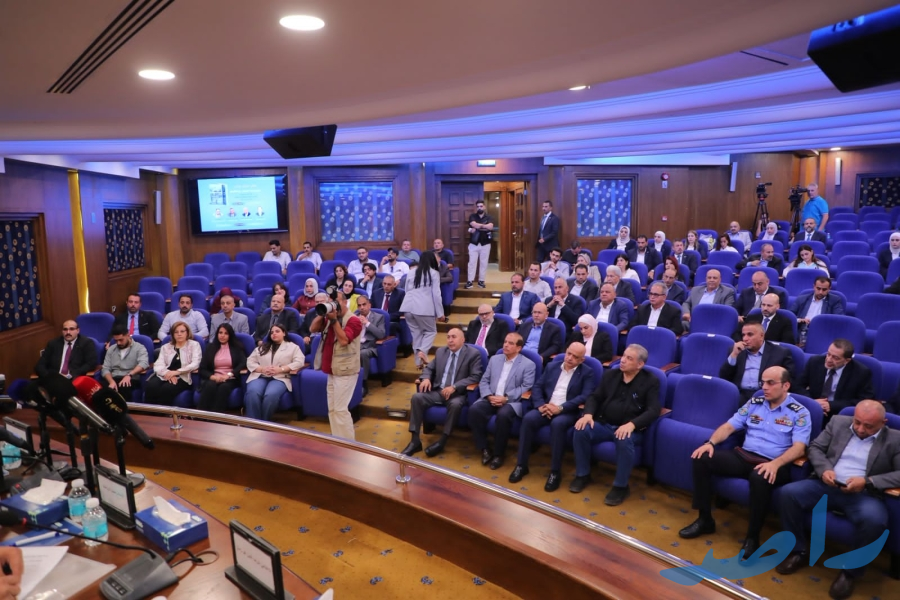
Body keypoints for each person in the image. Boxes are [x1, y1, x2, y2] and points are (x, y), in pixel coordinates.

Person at [678, 366, 811, 560]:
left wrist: (775, 464)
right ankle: (705, 519)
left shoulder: (799, 413)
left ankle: (752, 538)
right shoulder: (755, 403)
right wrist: (710, 443)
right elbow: (729, 426)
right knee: (702, 458)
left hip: (775, 463)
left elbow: (799, 448)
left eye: (771, 383)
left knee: (759, 477)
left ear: (786, 386)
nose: (764, 387)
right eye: (763, 382)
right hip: (745, 456)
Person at [776, 401, 899, 600]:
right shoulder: (838, 422)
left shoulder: (895, 439)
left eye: (868, 426)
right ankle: (798, 551)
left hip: (863, 493)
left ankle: (850, 573)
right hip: (827, 484)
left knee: (875, 521)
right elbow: (815, 448)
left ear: (883, 423)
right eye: (857, 422)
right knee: (788, 493)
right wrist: (824, 469)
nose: (860, 429)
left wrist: (868, 481)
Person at [569, 344, 660, 506]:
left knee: (623, 438)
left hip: (630, 429)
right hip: (604, 424)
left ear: (640, 364)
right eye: (623, 356)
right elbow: (595, 397)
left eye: (629, 358)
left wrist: (632, 424)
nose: (622, 360)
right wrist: (588, 414)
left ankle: (621, 486)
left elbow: (653, 410)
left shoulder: (650, 381)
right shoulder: (611, 374)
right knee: (581, 429)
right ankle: (583, 474)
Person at [511, 342, 594, 491]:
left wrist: (560, 408)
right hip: (546, 406)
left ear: (582, 360)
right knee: (528, 419)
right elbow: (537, 387)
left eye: (575, 357)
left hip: (567, 411)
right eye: (569, 353)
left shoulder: (587, 373)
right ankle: (521, 465)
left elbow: (585, 396)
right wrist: (540, 405)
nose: (570, 358)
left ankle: (555, 472)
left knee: (557, 424)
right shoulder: (552, 366)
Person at [401, 328, 484, 457]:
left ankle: (442, 441)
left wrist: (455, 386)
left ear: (463, 339)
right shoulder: (441, 351)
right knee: (417, 397)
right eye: (448, 337)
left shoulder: (473, 354)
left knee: (455, 404)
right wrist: (426, 378)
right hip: (439, 391)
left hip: (457, 394)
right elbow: (429, 368)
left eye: (454, 337)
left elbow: (476, 376)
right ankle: (415, 440)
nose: (450, 340)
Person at [469, 332, 536, 469]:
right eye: (505, 342)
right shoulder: (494, 359)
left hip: (511, 401)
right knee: (474, 410)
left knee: (503, 415)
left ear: (519, 348)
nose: (505, 345)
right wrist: (489, 396)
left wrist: (506, 398)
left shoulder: (528, 364)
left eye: (510, 343)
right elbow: (484, 380)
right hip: (491, 397)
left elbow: (526, 387)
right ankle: (484, 448)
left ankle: (498, 454)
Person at [310, 289, 362, 439]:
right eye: (330, 301)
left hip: (346, 371)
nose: (333, 304)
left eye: (336, 301)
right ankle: (338, 441)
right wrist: (322, 313)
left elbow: (344, 340)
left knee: (340, 410)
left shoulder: (354, 320)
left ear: (345, 302)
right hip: (332, 370)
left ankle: (348, 445)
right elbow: (312, 329)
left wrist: (334, 321)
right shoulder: (329, 316)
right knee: (332, 410)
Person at [795, 339, 875, 421]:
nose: (829, 359)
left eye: (835, 358)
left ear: (847, 361)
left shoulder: (861, 373)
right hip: (812, 410)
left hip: (840, 415)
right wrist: (813, 402)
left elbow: (864, 400)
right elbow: (798, 386)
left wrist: (832, 405)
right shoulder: (815, 362)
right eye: (828, 354)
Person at [720, 322, 794, 401]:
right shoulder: (736, 350)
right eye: (743, 335)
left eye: (750, 334)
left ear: (761, 336)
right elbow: (724, 377)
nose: (745, 339)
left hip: (765, 395)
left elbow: (788, 380)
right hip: (739, 394)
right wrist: (734, 355)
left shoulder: (780, 353)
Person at [245, 323, 304, 422]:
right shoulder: (262, 347)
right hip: (261, 376)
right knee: (252, 392)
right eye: (272, 332)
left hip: (280, 377)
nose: (274, 334)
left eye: (277, 331)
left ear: (284, 333)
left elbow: (299, 362)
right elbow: (250, 361)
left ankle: (264, 422)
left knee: (271, 395)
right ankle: (253, 423)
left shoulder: (293, 347)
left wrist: (281, 369)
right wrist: (261, 369)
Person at [400, 252, 444, 369]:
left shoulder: (411, 271)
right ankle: (423, 352)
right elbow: (436, 295)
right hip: (423, 308)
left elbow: (406, 290)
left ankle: (418, 363)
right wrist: (440, 313)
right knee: (430, 331)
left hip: (407, 307)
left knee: (417, 335)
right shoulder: (434, 273)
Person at [145, 321, 202, 406]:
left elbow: (195, 363)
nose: (179, 334)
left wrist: (176, 372)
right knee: (151, 386)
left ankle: (163, 413)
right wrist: (167, 373)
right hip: (165, 374)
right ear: (172, 334)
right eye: (176, 332)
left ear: (187, 333)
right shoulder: (166, 347)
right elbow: (158, 364)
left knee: (166, 389)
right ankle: (149, 412)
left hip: (183, 376)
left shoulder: (194, 345)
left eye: (182, 331)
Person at [198, 323, 247, 413]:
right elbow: (202, 368)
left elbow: (243, 363)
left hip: (230, 379)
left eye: (226, 333)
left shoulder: (237, 347)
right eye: (220, 333)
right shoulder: (210, 347)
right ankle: (200, 416)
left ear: (230, 335)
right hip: (214, 377)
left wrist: (229, 375)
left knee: (223, 388)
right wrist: (212, 377)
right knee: (210, 386)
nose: (222, 336)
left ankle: (216, 417)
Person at [101, 323, 149, 402]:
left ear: (128, 335)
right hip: (114, 377)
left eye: (121, 340)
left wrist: (129, 375)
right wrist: (111, 381)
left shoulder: (139, 348)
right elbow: (105, 368)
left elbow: (144, 363)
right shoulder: (111, 349)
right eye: (116, 340)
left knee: (123, 387)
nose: (118, 343)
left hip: (131, 378)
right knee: (99, 389)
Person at [355, 295, 385, 396]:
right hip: (355, 345)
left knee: (362, 353)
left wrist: (367, 323)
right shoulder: (354, 316)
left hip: (370, 347)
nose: (362, 307)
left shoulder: (379, 317)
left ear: (369, 305)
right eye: (359, 305)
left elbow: (381, 334)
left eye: (364, 304)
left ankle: (363, 383)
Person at [466, 199, 493, 289]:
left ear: (484, 207)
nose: (479, 208)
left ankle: (481, 281)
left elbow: (490, 227)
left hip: (485, 243)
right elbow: (473, 224)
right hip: (474, 243)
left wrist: (478, 226)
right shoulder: (472, 216)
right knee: (472, 263)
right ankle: (470, 281)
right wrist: (484, 226)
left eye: (481, 206)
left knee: (483, 263)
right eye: (477, 206)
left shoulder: (489, 217)